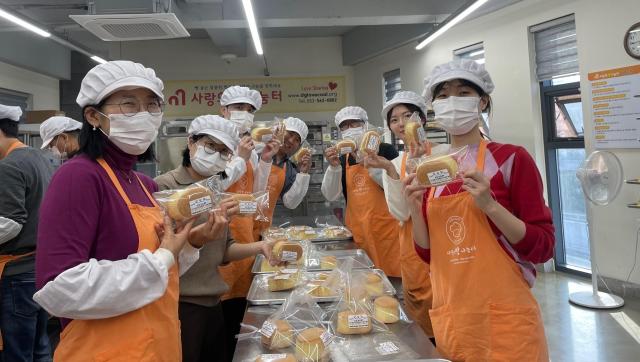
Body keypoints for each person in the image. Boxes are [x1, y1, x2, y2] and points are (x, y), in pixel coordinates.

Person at [34, 60, 228, 361]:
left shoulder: (145, 185)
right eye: (128, 104)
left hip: (158, 345)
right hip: (105, 351)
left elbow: (159, 273)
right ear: (93, 116)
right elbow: (59, 288)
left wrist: (191, 243)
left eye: (152, 105)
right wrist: (163, 257)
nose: (144, 115)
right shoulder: (79, 177)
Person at [403, 59, 554, 361]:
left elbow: (543, 247)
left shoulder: (511, 159)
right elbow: (428, 254)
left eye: (462, 92)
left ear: (482, 101)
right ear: (433, 107)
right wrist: (416, 209)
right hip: (455, 322)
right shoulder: (432, 169)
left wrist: (491, 206)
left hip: (506, 325)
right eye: (443, 96)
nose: (452, 101)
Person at [155, 114, 281, 362]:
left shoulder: (216, 191)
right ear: (191, 143)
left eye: (224, 152)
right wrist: (196, 236)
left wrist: (261, 246)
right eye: (210, 146)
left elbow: (224, 249)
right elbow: (158, 249)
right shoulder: (165, 186)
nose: (217, 155)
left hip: (213, 303)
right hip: (181, 304)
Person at [363, 90, 448, 337]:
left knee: (453, 325)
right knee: (422, 334)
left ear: (421, 119)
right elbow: (400, 213)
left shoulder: (445, 153)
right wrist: (390, 168)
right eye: (394, 119)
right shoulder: (397, 160)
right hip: (413, 252)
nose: (401, 124)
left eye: (408, 115)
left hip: (446, 247)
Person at [217, 85, 279, 357]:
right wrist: (240, 158)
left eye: (249, 110)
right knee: (218, 321)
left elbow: (257, 194)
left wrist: (264, 160)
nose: (244, 114)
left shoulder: (252, 149)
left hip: (246, 240)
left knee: (240, 320)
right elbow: (210, 188)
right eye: (238, 108)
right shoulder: (213, 143)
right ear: (223, 111)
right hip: (218, 238)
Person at [321, 106, 401, 277]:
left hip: (387, 232)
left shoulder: (386, 149)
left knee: (392, 283)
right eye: (344, 126)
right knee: (363, 283)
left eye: (354, 124)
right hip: (358, 234)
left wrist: (371, 163)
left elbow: (396, 186)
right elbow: (331, 195)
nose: (350, 130)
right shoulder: (343, 159)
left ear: (365, 126)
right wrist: (334, 168)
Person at [0, 104, 53, 362]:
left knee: (16, 351)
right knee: (39, 345)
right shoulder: (36, 157)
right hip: (39, 267)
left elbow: (10, 222)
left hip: (16, 274)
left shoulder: (8, 166)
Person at [253, 117, 312, 239]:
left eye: (297, 140)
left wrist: (303, 174)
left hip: (264, 230)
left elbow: (290, 202)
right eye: (289, 134)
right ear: (279, 131)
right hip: (239, 222)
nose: (291, 140)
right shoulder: (255, 153)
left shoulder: (289, 168)